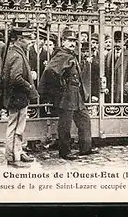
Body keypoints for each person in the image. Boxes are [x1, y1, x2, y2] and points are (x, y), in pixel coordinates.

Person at [38, 28, 98, 160]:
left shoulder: (70, 54)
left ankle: (86, 148)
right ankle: (64, 152)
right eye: (69, 41)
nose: (72, 43)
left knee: (84, 119)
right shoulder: (61, 55)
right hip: (67, 94)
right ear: (63, 41)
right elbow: (50, 71)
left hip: (76, 94)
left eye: (74, 41)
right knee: (65, 124)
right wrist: (60, 86)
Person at [0, 26, 38, 168]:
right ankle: (13, 157)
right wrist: (30, 86)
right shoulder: (16, 55)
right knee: (15, 128)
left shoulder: (15, 52)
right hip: (17, 98)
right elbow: (16, 78)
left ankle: (17, 153)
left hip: (17, 97)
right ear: (20, 40)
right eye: (27, 40)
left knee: (16, 127)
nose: (30, 42)